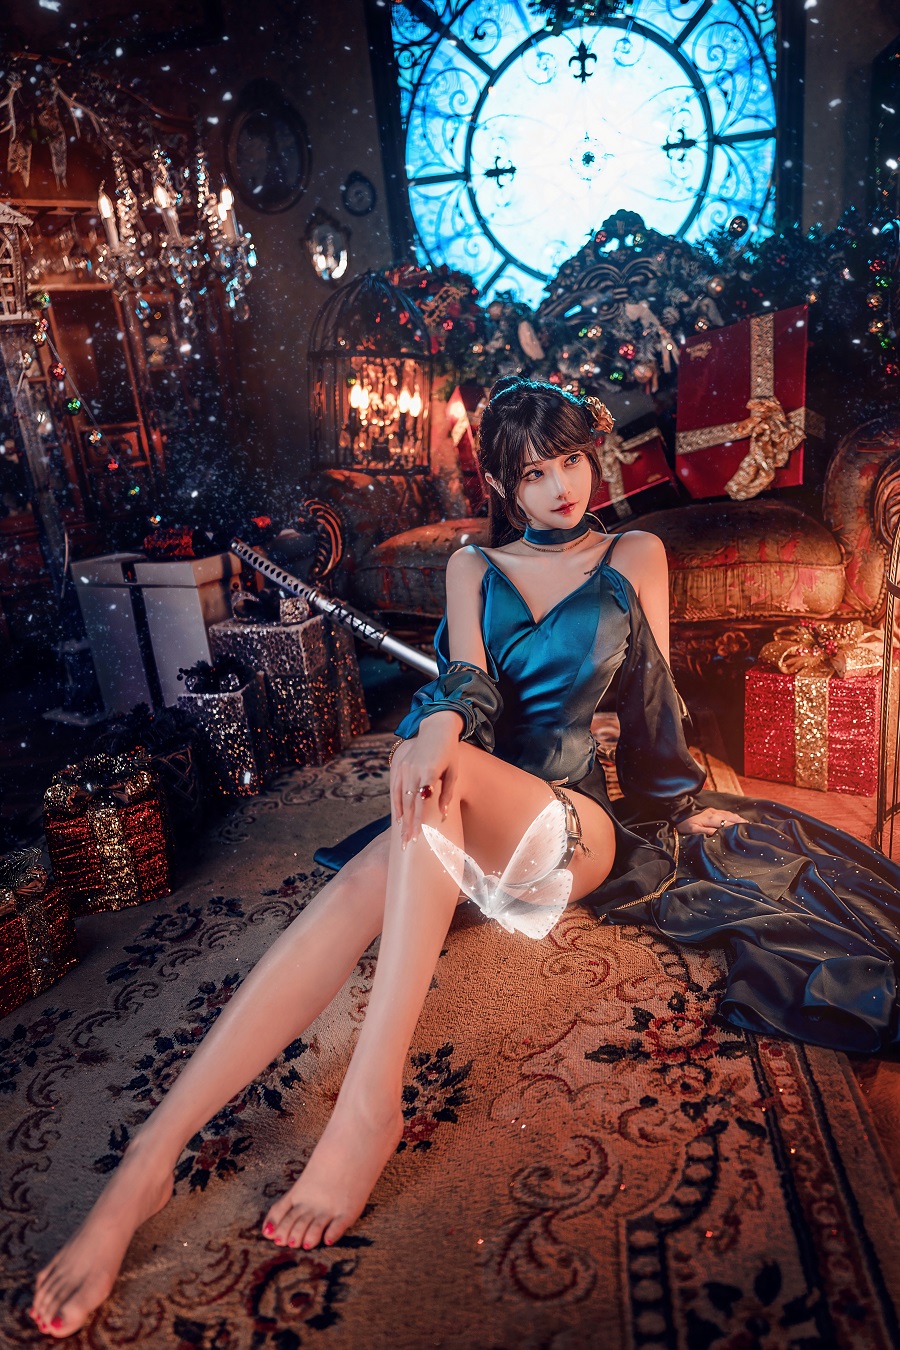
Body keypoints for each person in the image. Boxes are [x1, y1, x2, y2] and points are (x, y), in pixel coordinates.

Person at [29, 377, 900, 1338]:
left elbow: (655, 706)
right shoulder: (471, 567)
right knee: (395, 839)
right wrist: (439, 723)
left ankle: (368, 1101)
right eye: (535, 473)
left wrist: (677, 807)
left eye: (572, 460)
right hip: (471, 819)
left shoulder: (635, 553)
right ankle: (148, 1161)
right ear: (501, 483)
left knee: (432, 787)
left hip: (579, 830)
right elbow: (466, 681)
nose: (563, 487)